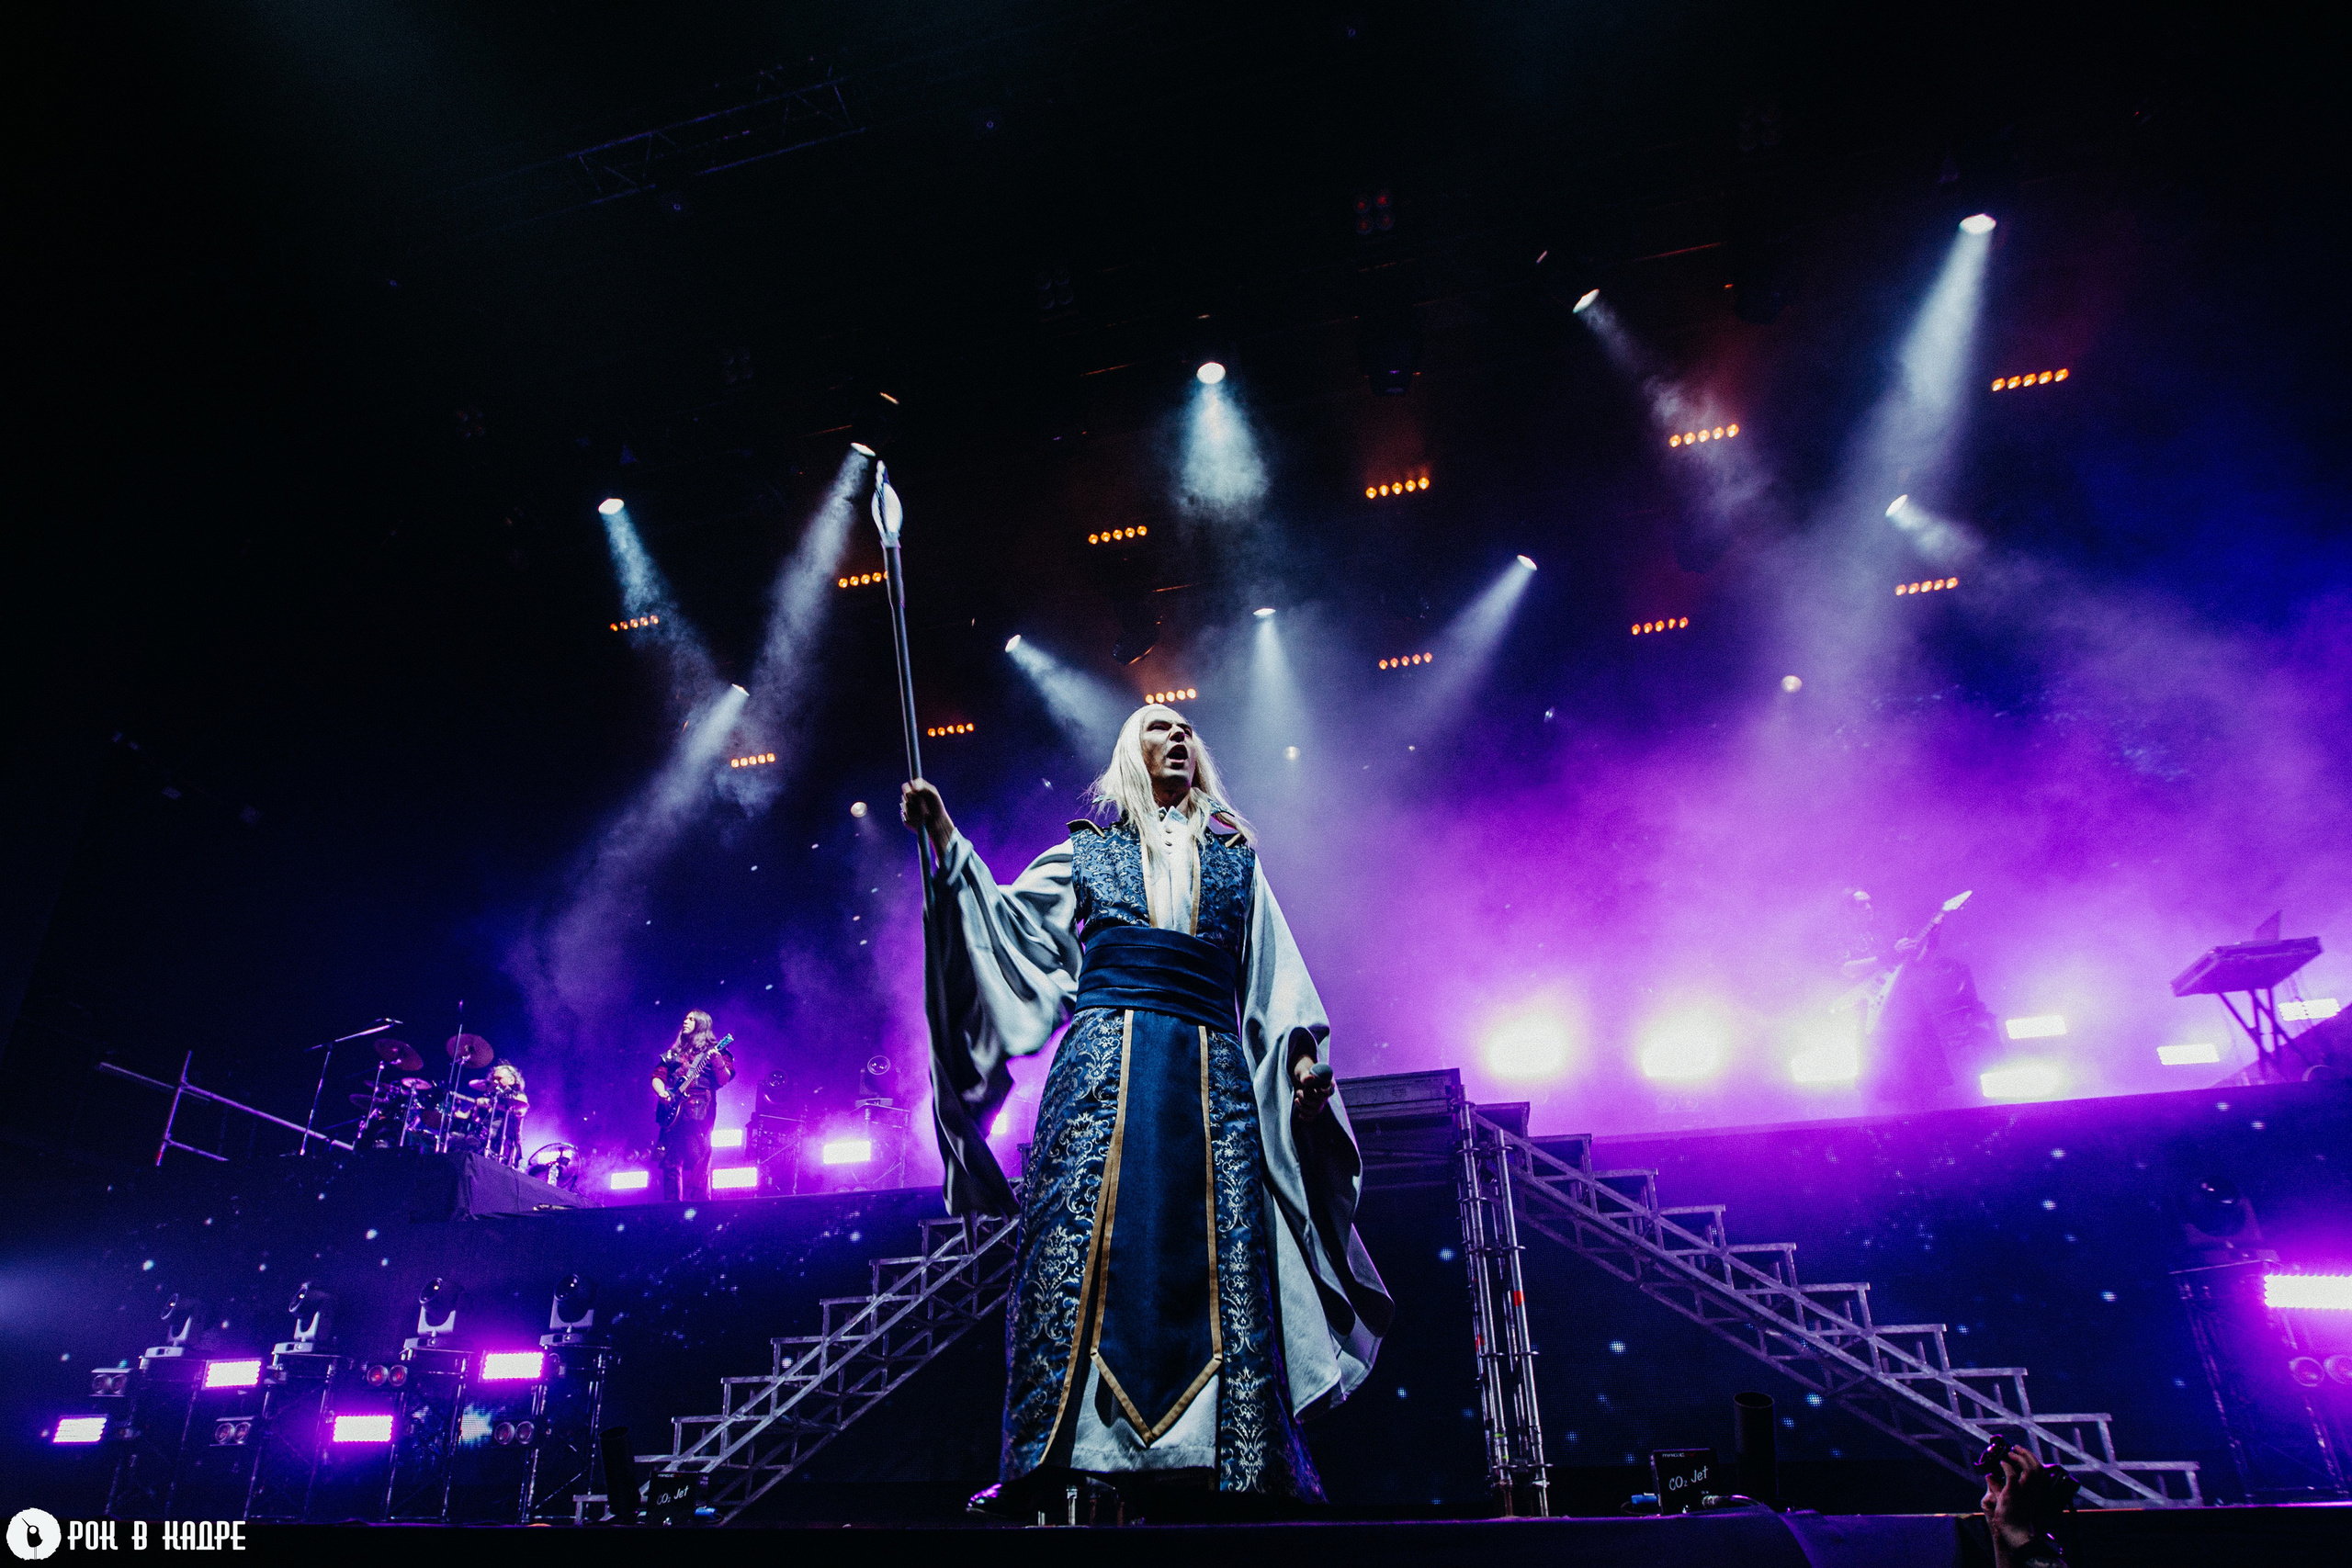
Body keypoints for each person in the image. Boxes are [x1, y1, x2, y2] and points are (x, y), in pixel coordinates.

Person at [901, 703, 1389, 1515]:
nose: (1178, 736)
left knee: (1217, 1261)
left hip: (1211, 1080)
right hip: (1100, 1079)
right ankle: (1047, 1463)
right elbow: (1006, 926)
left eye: (1186, 729)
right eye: (1159, 728)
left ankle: (1235, 1461)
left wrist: (1303, 1060)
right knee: (1077, 1260)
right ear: (1132, 753)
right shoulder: (1086, 853)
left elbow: (1274, 980)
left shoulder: (1237, 863)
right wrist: (945, 836)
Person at [652, 1010, 734, 1201]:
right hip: (674, 1110)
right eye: (685, 1018)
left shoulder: (717, 1051)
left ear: (702, 1024)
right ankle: (672, 1210)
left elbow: (724, 1080)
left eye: (691, 1019)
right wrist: (662, 1092)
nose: (685, 1021)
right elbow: (657, 1075)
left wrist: (718, 1061)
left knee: (699, 1158)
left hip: (700, 1109)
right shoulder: (673, 1054)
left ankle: (701, 1207)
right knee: (671, 1162)